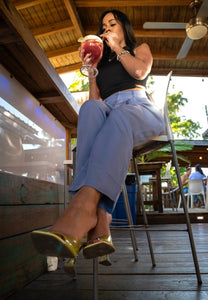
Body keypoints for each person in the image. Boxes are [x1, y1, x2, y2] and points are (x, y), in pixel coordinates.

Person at [31, 10, 165, 261]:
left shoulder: (139, 48)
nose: (106, 29)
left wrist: (117, 47)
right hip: (110, 112)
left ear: (124, 28)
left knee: (118, 116)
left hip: (138, 109)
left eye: (112, 24)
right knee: (90, 109)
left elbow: (139, 73)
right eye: (103, 26)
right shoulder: (102, 63)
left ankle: (82, 211)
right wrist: (92, 71)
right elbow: (95, 102)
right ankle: (100, 221)